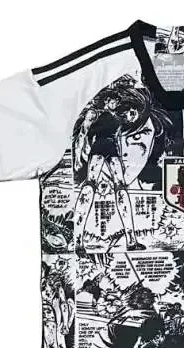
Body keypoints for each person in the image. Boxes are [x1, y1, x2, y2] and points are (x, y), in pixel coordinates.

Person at [73, 76, 172, 251]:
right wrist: (77, 158)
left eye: (117, 102)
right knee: (90, 185)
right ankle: (78, 241)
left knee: (121, 187)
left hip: (112, 150)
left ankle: (131, 241)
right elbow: (82, 134)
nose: (115, 104)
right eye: (113, 101)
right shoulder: (94, 113)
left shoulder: (118, 117)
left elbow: (120, 136)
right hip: (98, 149)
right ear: (107, 100)